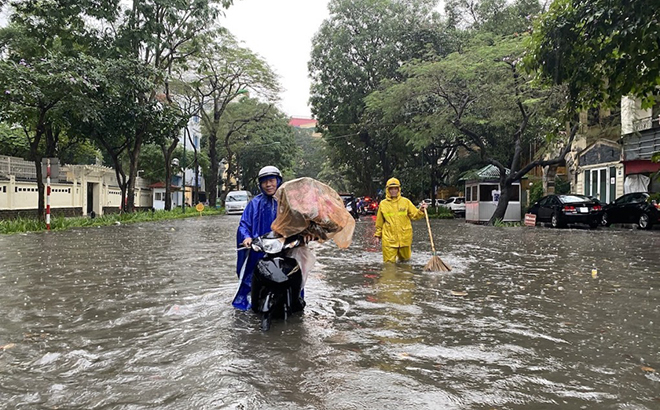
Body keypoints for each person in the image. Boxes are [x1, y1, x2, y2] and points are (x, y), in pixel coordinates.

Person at [233, 165, 282, 310]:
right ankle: (248, 301)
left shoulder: (286, 202)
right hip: (259, 249)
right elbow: (243, 225)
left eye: (271, 180)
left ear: (278, 181)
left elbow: (297, 222)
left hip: (282, 248)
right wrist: (246, 237)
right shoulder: (254, 204)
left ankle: (296, 299)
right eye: (264, 182)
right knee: (250, 275)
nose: (268, 185)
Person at [374, 178, 428, 263]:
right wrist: (378, 235)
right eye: (391, 189)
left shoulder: (405, 202)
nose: (393, 191)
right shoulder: (383, 204)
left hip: (405, 238)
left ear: (399, 189)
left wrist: (421, 210)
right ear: (387, 190)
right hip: (389, 239)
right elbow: (379, 221)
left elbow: (415, 215)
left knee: (406, 263)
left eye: (395, 188)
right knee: (389, 265)